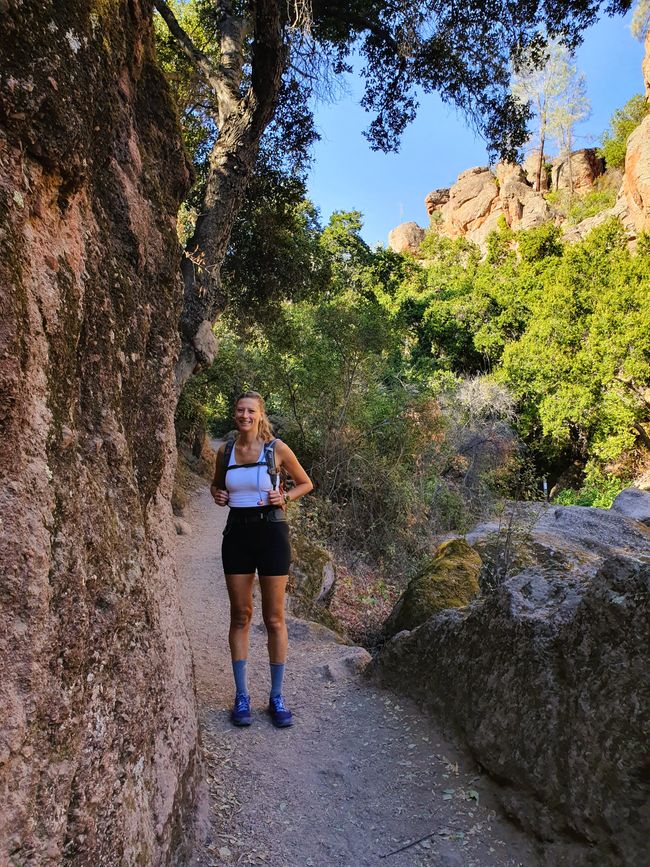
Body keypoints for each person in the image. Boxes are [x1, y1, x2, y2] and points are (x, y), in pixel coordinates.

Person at [210, 391, 313, 728]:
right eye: (239, 410)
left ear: (260, 415)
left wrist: (283, 495)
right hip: (236, 536)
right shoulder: (225, 452)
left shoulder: (276, 449)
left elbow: (305, 483)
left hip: (271, 535)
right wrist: (218, 494)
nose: (244, 415)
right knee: (240, 615)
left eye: (250, 410)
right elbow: (216, 488)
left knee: (274, 618)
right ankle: (242, 697)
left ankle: (276, 697)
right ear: (234, 414)